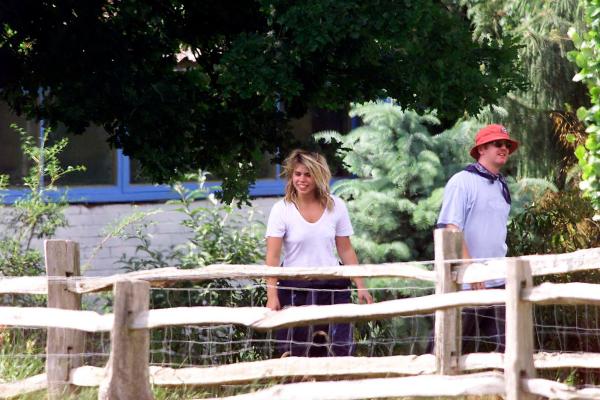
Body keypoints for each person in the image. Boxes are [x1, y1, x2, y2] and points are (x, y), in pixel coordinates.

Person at [265, 149, 373, 357]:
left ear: (319, 176)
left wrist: (361, 286)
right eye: (297, 174)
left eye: (308, 174)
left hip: (332, 286)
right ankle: (295, 388)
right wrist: (272, 295)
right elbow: (272, 256)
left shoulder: (337, 206)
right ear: (291, 176)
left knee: (339, 348)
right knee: (294, 351)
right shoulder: (282, 209)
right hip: (295, 288)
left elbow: (345, 249)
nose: (302, 180)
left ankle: (338, 386)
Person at [436, 124, 519, 353]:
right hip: (466, 282)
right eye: (497, 144)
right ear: (481, 149)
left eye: (507, 145)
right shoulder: (462, 181)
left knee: (508, 349)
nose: (504, 148)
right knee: (451, 346)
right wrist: (470, 268)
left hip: (499, 280)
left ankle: (502, 389)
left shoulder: (501, 185)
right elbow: (452, 228)